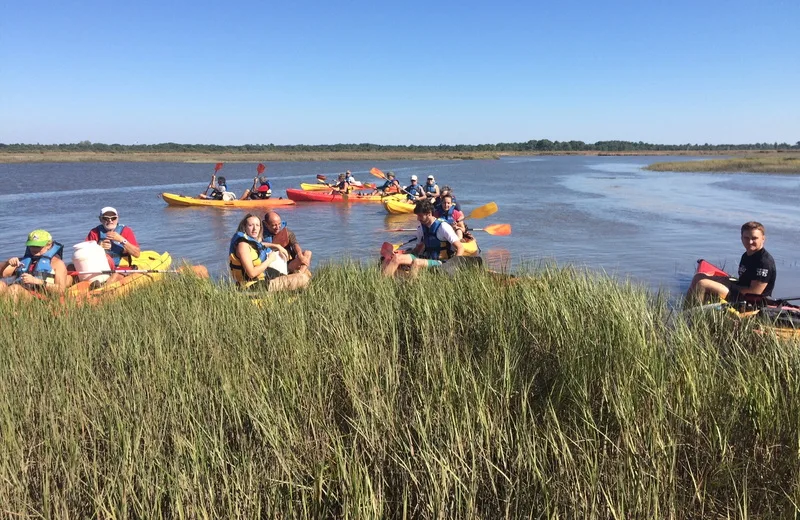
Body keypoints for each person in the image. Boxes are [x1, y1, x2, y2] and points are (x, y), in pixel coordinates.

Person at [685, 221, 777, 304]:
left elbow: (755, 292)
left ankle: (693, 315)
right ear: (741, 238)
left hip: (751, 301)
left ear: (763, 239)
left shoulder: (764, 262)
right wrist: (726, 281)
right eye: (746, 238)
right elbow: (744, 281)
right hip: (740, 290)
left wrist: (729, 285)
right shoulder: (747, 255)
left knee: (703, 284)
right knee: (699, 276)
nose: (750, 241)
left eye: (754, 238)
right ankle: (687, 307)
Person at [382, 200, 465, 277]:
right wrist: (403, 253)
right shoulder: (421, 228)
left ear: (429, 213)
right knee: (397, 258)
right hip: (427, 259)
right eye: (417, 216)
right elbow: (417, 250)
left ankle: (411, 288)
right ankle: (382, 284)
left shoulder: (443, 227)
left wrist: (452, 265)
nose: (418, 219)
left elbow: (460, 248)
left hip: (442, 262)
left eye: (420, 216)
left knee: (416, 262)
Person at [229, 214, 310, 292]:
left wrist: (277, 246)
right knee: (303, 279)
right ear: (244, 227)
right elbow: (251, 273)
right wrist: (270, 260)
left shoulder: (250, 242)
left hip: (262, 279)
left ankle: (293, 295)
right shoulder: (242, 246)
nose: (255, 229)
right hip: (252, 286)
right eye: (251, 225)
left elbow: (260, 244)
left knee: (305, 273)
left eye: (257, 225)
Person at [0, 229, 69, 299]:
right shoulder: (21, 261)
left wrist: (36, 281)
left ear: (48, 245)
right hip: (23, 293)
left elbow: (61, 290)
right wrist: (7, 263)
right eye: (31, 245)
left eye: (38, 246)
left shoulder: (57, 263)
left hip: (41, 298)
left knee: (15, 289)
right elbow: (2, 275)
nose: (34, 249)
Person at [86, 207, 141, 284]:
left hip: (121, 268)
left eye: (113, 218)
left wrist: (122, 240)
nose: (110, 221)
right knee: (71, 267)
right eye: (106, 218)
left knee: (115, 276)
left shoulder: (126, 231)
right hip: (100, 268)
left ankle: (102, 289)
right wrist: (98, 247)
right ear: (100, 219)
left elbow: (137, 254)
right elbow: (84, 255)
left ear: (117, 218)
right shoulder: (94, 232)